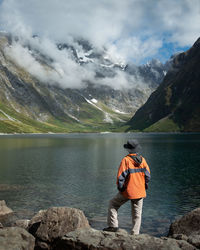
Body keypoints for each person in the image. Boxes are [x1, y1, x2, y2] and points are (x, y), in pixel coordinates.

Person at [103, 139, 151, 234]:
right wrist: (143, 185)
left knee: (113, 204)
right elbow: (148, 176)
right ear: (137, 149)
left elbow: (121, 177)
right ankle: (135, 233)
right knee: (137, 214)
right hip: (140, 191)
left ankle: (113, 226)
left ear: (128, 149)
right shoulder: (143, 160)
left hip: (128, 191)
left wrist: (121, 188)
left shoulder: (126, 160)